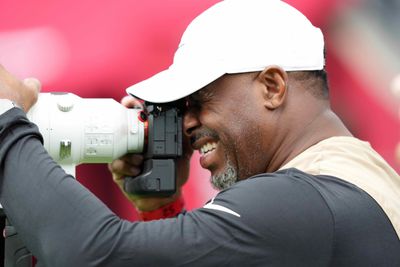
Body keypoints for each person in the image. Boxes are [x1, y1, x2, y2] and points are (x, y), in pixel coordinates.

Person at [0, 0, 399, 266]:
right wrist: (162, 207)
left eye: (199, 100)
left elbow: (88, 252)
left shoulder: (302, 200)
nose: (187, 123)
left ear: (272, 87)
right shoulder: (347, 182)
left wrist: (7, 119)